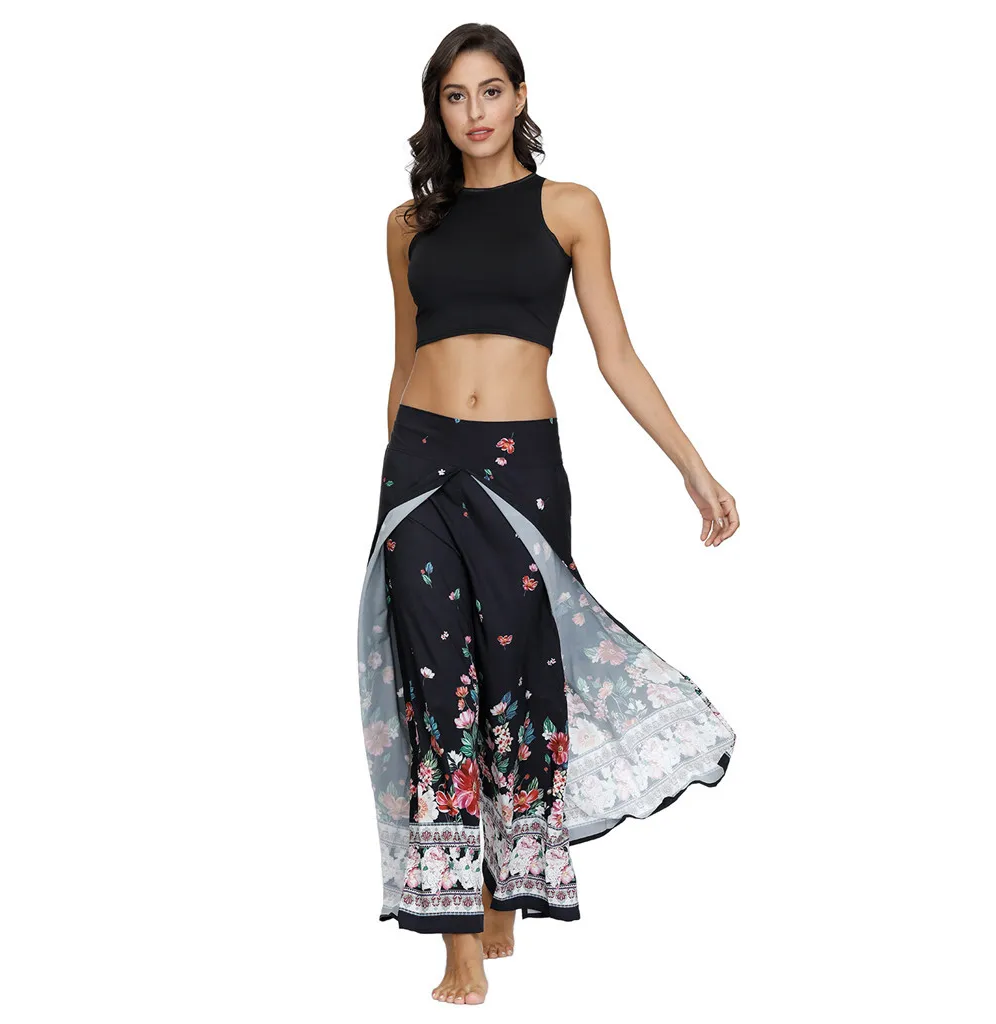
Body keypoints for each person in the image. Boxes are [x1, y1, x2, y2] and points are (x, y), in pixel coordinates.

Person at [356, 23, 739, 1006]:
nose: (474, 112)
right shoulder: (408, 223)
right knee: (436, 691)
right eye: (455, 96)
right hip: (420, 472)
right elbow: (402, 361)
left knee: (516, 680)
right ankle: (456, 937)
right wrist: (388, 482)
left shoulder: (569, 207)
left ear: (519, 96)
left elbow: (616, 353)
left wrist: (693, 469)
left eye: (490, 91)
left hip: (520, 469)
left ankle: (505, 889)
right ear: (438, 109)